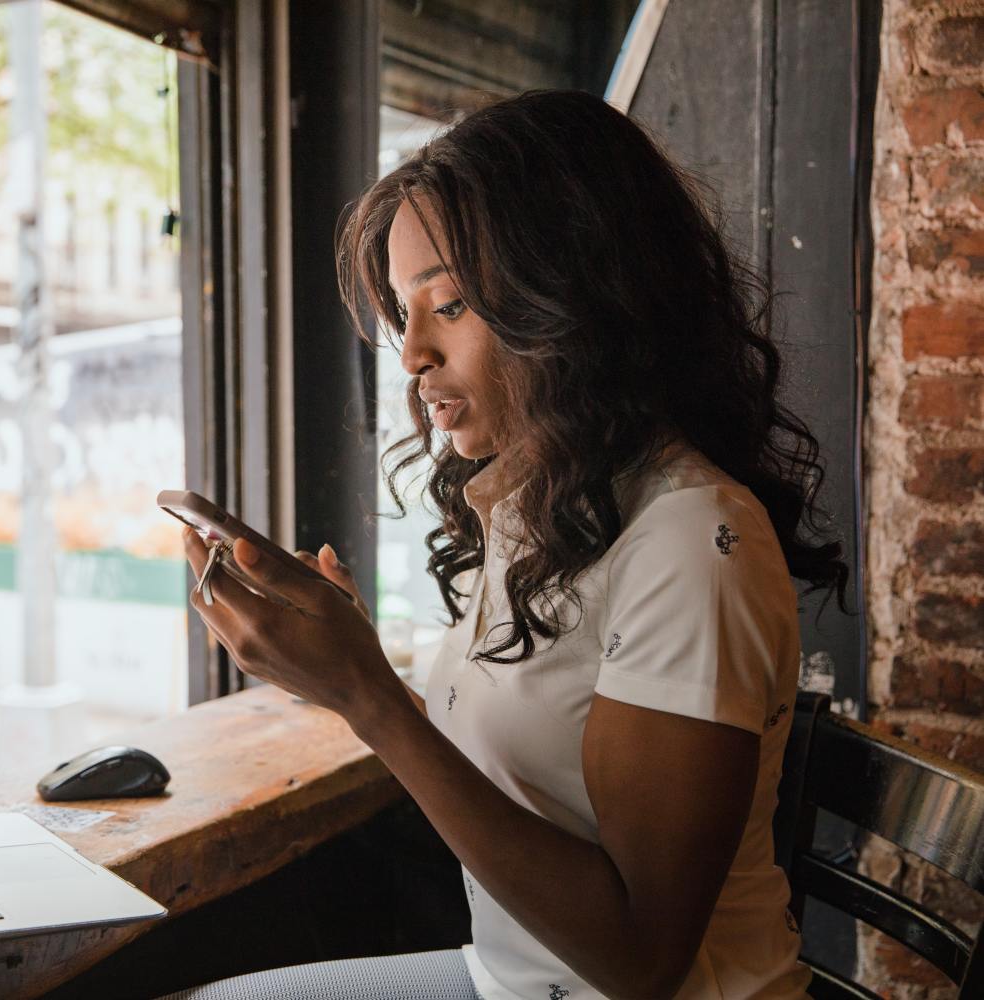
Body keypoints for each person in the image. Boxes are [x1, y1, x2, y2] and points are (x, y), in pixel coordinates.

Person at [165, 90, 847, 1000]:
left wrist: (368, 697)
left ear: (573, 295)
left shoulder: (691, 542)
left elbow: (643, 963)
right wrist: (340, 661)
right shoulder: (552, 505)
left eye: (446, 304)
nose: (409, 354)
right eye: (402, 313)